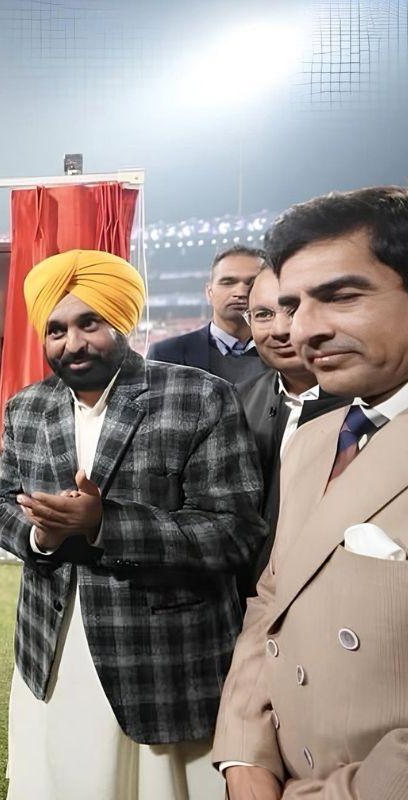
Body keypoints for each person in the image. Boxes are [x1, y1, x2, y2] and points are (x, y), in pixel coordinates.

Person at [0, 249, 264, 800]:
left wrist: (104, 524)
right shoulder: (28, 407)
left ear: (123, 320)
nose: (73, 343)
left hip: (162, 654)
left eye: (90, 322)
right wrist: (40, 535)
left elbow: (235, 531)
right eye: (57, 329)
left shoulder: (198, 395)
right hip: (52, 647)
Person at [215, 186, 408, 799]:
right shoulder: (316, 440)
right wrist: (245, 755)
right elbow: (274, 600)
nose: (305, 330)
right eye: (293, 305)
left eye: (342, 296)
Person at [234, 264, 349, 594]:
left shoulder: (368, 405)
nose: (280, 329)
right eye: (263, 314)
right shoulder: (235, 401)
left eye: (292, 310)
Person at [148, 245, 268, 383]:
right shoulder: (165, 354)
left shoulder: (290, 352)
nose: (240, 292)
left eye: (252, 283)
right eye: (228, 282)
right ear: (209, 292)